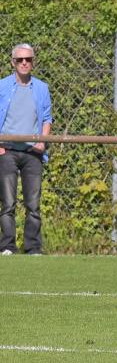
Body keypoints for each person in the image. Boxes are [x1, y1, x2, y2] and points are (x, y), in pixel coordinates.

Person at [0, 44, 52, 256]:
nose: (24, 63)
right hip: (7, 151)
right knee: (8, 202)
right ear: (13, 62)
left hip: (33, 153)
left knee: (33, 203)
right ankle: (7, 246)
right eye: (20, 59)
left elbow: (47, 118)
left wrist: (43, 141)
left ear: (33, 62)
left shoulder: (42, 88)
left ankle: (32, 248)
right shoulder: (2, 86)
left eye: (28, 59)